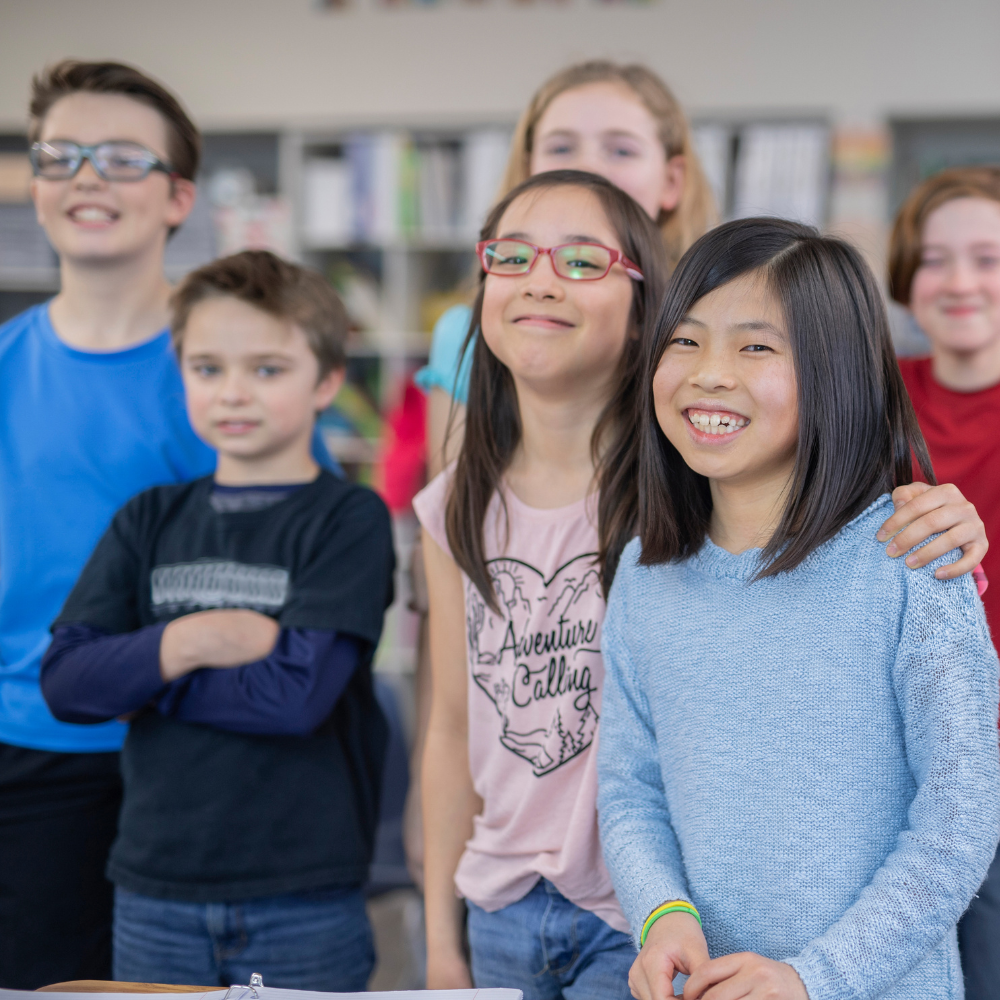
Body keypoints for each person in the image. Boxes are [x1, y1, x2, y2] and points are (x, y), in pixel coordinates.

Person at [597, 218, 1000, 1000]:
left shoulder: (911, 565)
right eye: (684, 341)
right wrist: (662, 915)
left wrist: (815, 979)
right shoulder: (644, 575)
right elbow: (629, 789)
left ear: (834, 373)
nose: (709, 373)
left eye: (755, 346)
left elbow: (958, 828)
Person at [40, 250, 394, 990]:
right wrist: (191, 639)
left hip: (303, 894)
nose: (234, 392)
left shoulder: (347, 518)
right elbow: (68, 685)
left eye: (267, 369)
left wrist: (139, 678)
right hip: (153, 888)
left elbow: (297, 699)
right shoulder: (148, 519)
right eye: (207, 369)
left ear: (327, 380)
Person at [415, 170, 669, 998]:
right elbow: (452, 730)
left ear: (642, 315)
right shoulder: (452, 505)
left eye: (583, 261)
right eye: (513, 256)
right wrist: (440, 943)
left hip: (640, 919)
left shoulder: (685, 498)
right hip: (498, 909)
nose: (541, 280)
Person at [0, 59, 208, 990]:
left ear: (177, 197)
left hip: (182, 760)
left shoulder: (234, 374)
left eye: (122, 158)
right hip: (22, 753)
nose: (87, 176)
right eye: (63, 154)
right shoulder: (4, 363)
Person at [415, 60, 716, 477]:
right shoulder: (468, 335)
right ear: (527, 169)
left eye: (622, 150)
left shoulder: (713, 339)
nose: (588, 168)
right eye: (560, 147)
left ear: (671, 181)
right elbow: (453, 509)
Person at [888, 166, 1000, 1000]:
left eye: (988, 258)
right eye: (935, 259)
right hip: (895, 763)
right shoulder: (872, 399)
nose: (960, 281)